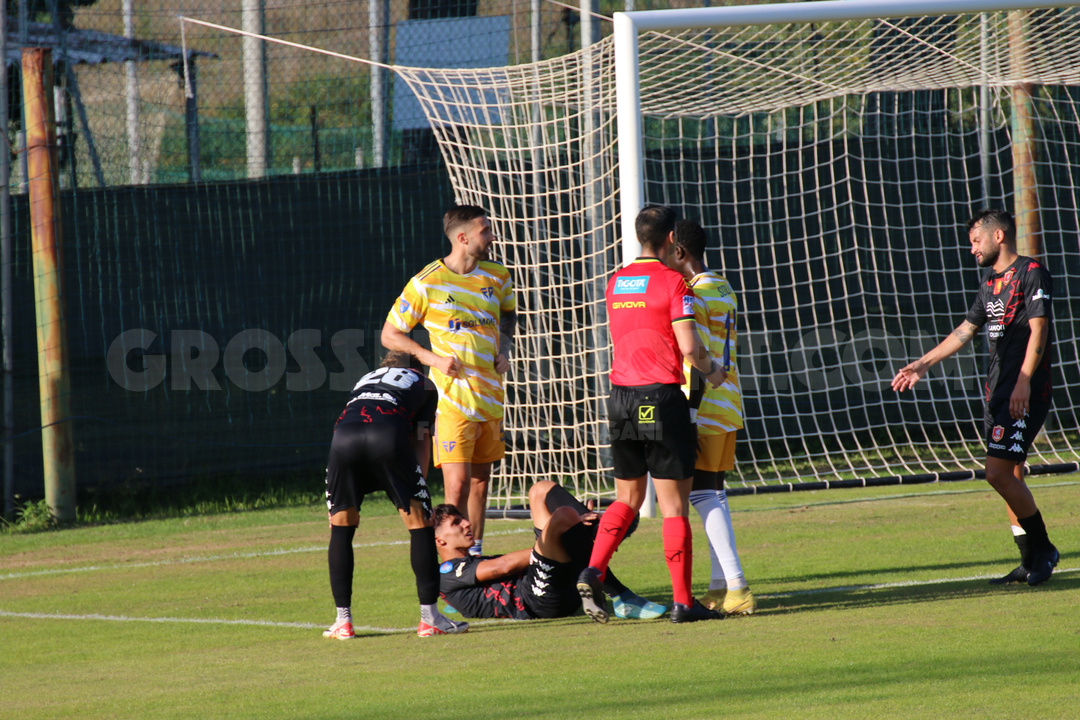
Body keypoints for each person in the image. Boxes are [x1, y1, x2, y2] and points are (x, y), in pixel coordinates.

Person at [577, 205, 728, 625]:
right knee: (674, 507)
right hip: (660, 397)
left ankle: (593, 570)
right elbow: (690, 348)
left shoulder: (616, 281)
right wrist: (713, 371)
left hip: (621, 398)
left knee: (627, 498)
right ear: (671, 239)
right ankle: (683, 603)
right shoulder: (674, 282)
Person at [891, 208, 1059, 586]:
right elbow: (966, 330)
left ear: (998, 236)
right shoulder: (990, 283)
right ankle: (1029, 560)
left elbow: (1039, 330)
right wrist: (922, 364)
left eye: (976, 240)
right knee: (1010, 474)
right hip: (997, 392)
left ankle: (1045, 549)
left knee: (996, 473)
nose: (972, 249)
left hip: (1023, 392)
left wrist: (1023, 382)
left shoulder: (1031, 273)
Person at [381, 205, 517, 557]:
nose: (492, 237)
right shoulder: (427, 282)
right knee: (456, 487)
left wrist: (504, 348)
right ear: (463, 238)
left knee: (481, 484)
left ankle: (474, 558)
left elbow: (509, 315)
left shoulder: (498, 276)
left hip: (490, 398)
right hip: (451, 402)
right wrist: (433, 359)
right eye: (485, 231)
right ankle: (450, 565)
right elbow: (390, 334)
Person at [322, 351, 469, 639]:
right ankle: (430, 619)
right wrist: (419, 490)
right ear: (418, 369)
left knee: (340, 528)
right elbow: (422, 438)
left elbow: (350, 417)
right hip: (386, 437)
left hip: (343, 440)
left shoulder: (365, 379)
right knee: (420, 526)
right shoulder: (425, 384)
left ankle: (343, 622)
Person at [667, 219, 755, 615]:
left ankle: (738, 587)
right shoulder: (723, 286)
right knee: (714, 492)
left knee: (702, 493)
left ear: (679, 252)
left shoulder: (694, 294)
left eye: (668, 253)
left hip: (704, 405)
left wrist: (689, 410)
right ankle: (720, 587)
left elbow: (697, 355)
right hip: (729, 401)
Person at [434, 480, 667, 621]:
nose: (467, 523)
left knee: (540, 490)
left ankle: (594, 537)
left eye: (463, 519)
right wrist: (565, 535)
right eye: (456, 523)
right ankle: (614, 580)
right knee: (564, 517)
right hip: (537, 601)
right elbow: (503, 567)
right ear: (439, 540)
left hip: (554, 588)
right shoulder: (445, 573)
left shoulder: (467, 564)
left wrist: (567, 536)